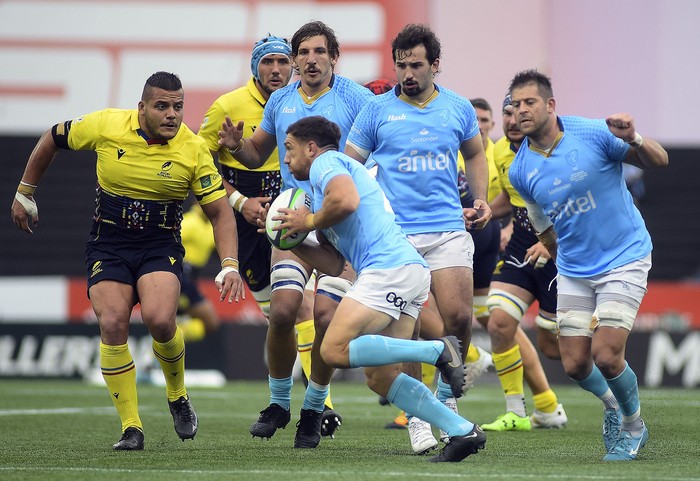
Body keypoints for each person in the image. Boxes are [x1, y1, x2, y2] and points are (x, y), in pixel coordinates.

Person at [10, 71, 245, 450]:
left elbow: (219, 212)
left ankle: (177, 395)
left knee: (159, 319)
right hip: (110, 243)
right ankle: (131, 427)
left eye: (178, 107)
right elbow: (52, 137)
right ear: (142, 108)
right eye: (162, 106)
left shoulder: (194, 148)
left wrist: (230, 264)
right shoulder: (105, 125)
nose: (172, 114)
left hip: (159, 243)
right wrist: (25, 192)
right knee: (114, 323)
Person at [271, 115, 486, 462]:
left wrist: (307, 221)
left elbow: (347, 202)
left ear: (311, 148)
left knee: (333, 351)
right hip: (405, 270)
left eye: (290, 149)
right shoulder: (319, 191)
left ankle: (436, 351)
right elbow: (334, 264)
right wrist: (291, 239)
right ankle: (463, 431)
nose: (285, 158)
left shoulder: (327, 163)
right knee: (381, 379)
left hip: (390, 270)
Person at [217, 21, 373, 446]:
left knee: (325, 317)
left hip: (343, 220)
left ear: (333, 57)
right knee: (284, 310)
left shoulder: (357, 98)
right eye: (302, 52)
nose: (309, 59)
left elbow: (378, 150)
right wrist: (236, 146)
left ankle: (314, 408)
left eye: (319, 51)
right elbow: (256, 154)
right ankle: (279, 404)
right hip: (293, 214)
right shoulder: (281, 99)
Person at [345, 24, 491, 454]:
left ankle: (446, 398)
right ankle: (419, 417)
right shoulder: (375, 111)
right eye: (402, 65)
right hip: (396, 237)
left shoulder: (459, 108)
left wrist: (480, 199)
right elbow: (350, 164)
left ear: (435, 65)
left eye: (416, 65)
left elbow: (476, 153)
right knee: (407, 331)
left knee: (459, 318)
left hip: (448, 227)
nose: (407, 73)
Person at [507, 69, 669, 461]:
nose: (521, 111)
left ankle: (633, 426)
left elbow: (659, 161)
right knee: (576, 365)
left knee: (607, 355)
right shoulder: (520, 169)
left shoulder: (594, 133)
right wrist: (551, 250)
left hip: (624, 257)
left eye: (529, 102)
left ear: (550, 105)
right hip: (575, 269)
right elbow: (541, 221)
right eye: (515, 105)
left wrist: (633, 138)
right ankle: (613, 405)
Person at [197, 35, 337, 421]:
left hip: (286, 208)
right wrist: (240, 203)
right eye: (266, 62)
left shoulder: (298, 99)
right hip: (245, 214)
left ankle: (318, 406)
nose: (275, 69)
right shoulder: (227, 105)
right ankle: (287, 397)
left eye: (281, 61)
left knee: (303, 307)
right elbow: (198, 165)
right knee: (278, 315)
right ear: (254, 67)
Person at [480, 94, 567, 431]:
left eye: (519, 111)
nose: (513, 119)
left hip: (562, 246)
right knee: (499, 321)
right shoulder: (501, 151)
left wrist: (551, 244)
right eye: (507, 112)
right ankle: (516, 412)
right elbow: (511, 198)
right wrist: (486, 210)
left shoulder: (554, 151)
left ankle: (610, 386)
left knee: (558, 348)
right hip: (521, 242)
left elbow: (570, 202)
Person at [177, 201, 219, 342]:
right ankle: (171, 338)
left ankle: (175, 336)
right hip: (180, 274)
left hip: (192, 277)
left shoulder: (210, 227)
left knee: (209, 323)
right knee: (210, 321)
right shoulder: (188, 222)